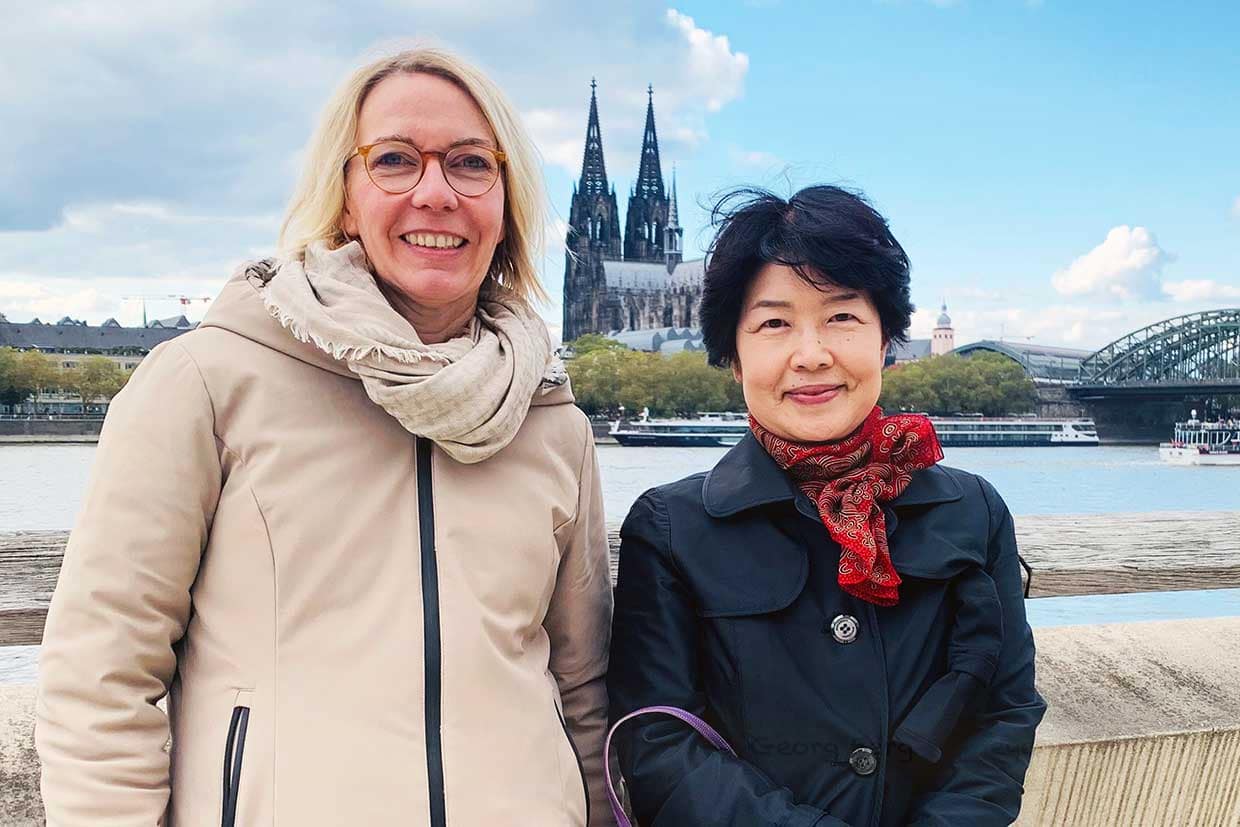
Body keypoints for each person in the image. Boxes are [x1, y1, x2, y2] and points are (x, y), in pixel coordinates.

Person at [37, 48, 613, 826]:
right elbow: (99, 677)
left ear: (507, 204)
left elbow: (582, 692)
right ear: (343, 197)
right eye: (395, 160)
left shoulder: (551, 422)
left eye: (472, 163)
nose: (435, 192)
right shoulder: (206, 382)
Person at [607, 185, 1045, 826]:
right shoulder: (671, 529)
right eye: (774, 324)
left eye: (842, 317)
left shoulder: (974, 511)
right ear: (733, 357)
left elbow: (1003, 714)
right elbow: (658, 744)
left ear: (887, 339)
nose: (811, 355)